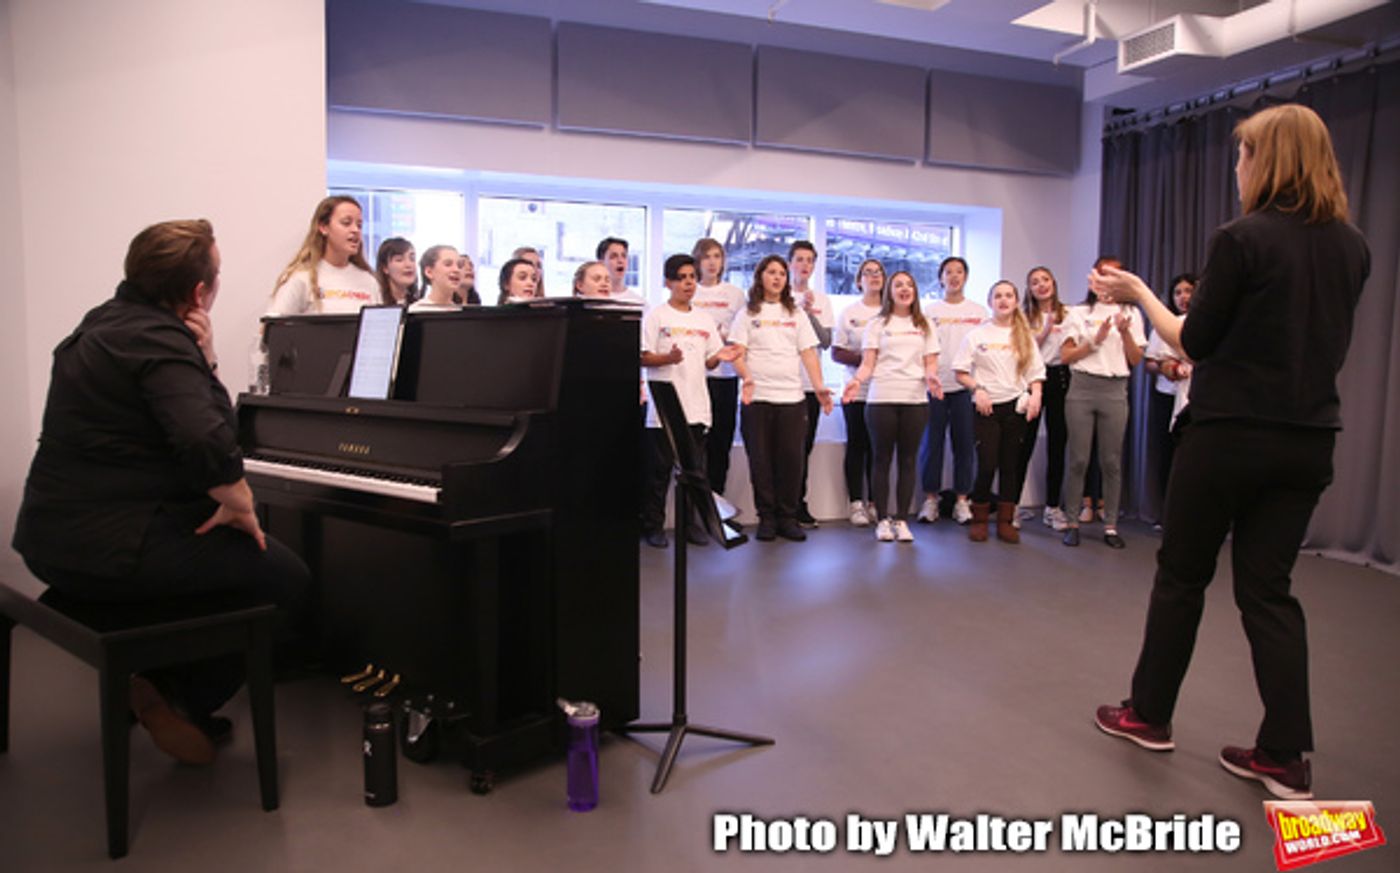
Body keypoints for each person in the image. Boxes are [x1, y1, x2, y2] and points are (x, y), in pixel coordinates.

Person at [1089, 104, 1369, 801]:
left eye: (1241, 157)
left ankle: (1148, 714)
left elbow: (1193, 341)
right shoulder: (1352, 246)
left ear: (1264, 160)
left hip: (1229, 436)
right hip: (1308, 442)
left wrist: (1139, 292)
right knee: (1268, 591)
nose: (1236, 171)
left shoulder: (1241, 238)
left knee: (1182, 576)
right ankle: (1284, 755)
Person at [12, 220, 311, 765]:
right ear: (200, 292)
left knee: (217, 561)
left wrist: (205, 356)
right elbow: (207, 438)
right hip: (113, 545)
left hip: (49, 542)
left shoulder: (98, 325)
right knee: (284, 576)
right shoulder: (159, 338)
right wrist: (240, 500)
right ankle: (180, 696)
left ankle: (144, 679)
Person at [729, 255, 835, 542]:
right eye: (771, 272)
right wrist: (746, 377)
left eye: (781, 274)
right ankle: (767, 518)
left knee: (791, 461)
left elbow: (809, 354)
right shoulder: (747, 314)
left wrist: (820, 387)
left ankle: (788, 517)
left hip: (792, 398)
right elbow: (736, 352)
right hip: (758, 398)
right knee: (760, 462)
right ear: (760, 276)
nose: (777, 278)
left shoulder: (796, 314)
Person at [639, 254, 739, 548]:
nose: (688, 283)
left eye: (692, 277)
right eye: (682, 278)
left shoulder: (703, 319)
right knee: (659, 473)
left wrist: (721, 356)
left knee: (694, 472)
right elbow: (643, 356)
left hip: (697, 408)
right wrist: (668, 358)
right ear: (669, 282)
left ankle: (690, 525)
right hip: (665, 411)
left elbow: (709, 361)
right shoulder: (657, 315)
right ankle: (653, 526)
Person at [842, 270, 940, 543]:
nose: (904, 289)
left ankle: (902, 521)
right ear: (890, 290)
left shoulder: (925, 324)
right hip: (881, 397)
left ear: (915, 291)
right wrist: (856, 381)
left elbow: (930, 362)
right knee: (881, 460)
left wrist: (931, 376)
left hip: (915, 400)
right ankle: (883, 519)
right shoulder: (877, 324)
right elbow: (868, 363)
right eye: (898, 284)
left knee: (908, 461)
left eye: (909, 284)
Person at [1057, 255, 1146, 549]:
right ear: (1093, 278)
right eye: (1102, 275)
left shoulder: (1132, 312)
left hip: (1115, 389)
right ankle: (1071, 522)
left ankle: (1110, 525)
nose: (1107, 282)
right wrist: (1095, 340)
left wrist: (1123, 332)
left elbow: (1135, 359)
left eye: (1114, 276)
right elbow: (1066, 356)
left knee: (1111, 460)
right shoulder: (1078, 312)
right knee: (1079, 458)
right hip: (1082, 387)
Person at [953, 281, 1045, 543]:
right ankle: (980, 517)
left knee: (1010, 465)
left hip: (1015, 407)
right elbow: (960, 372)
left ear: (1016, 301)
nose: (1003, 300)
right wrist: (977, 388)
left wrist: (1036, 394)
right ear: (990, 302)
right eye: (998, 296)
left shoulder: (1024, 336)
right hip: (986, 407)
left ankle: (1005, 520)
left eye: (1009, 296)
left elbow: (1035, 373)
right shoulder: (977, 335)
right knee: (987, 464)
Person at [918, 256, 986, 525]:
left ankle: (961, 500)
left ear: (966, 277)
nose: (954, 276)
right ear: (941, 278)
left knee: (964, 445)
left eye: (959, 272)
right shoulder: (929, 311)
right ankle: (931, 500)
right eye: (949, 272)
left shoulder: (979, 312)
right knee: (931, 445)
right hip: (935, 388)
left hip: (965, 389)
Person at [1016, 266, 1073, 530]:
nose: (1041, 285)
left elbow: (1073, 350)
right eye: (1035, 282)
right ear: (1029, 288)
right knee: (1023, 443)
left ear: (1054, 282)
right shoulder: (1023, 316)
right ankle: (1013, 505)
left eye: (1045, 280)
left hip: (1060, 378)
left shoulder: (1068, 313)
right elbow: (1025, 352)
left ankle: (1052, 507)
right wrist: (1046, 330)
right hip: (1031, 379)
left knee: (1057, 443)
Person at [690, 237, 747, 497]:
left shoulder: (734, 294)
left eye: (717, 256)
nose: (712, 262)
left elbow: (741, 335)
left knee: (721, 444)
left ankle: (718, 506)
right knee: (695, 446)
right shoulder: (691, 291)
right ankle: (694, 511)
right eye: (706, 257)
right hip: (695, 378)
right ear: (697, 261)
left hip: (725, 377)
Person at [831, 258, 885, 526]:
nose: (873, 277)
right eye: (867, 273)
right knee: (857, 445)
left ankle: (876, 502)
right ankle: (856, 504)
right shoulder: (849, 312)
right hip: (856, 390)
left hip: (885, 391)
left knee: (880, 449)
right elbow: (836, 352)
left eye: (878, 273)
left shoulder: (892, 312)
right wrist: (866, 360)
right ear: (858, 280)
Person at [1142, 273, 1197, 521]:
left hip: (1199, 398)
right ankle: (1168, 514)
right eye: (1178, 292)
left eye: (1188, 291)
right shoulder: (1165, 324)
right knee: (1168, 455)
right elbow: (1150, 362)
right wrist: (1170, 368)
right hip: (1168, 395)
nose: (1183, 297)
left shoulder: (1206, 322)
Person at [788, 240, 835, 527]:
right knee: (781, 450)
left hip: (809, 385)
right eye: (800, 260)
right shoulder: (778, 297)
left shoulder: (822, 301)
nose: (805, 265)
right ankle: (779, 507)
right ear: (789, 263)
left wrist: (807, 313)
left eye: (810, 261)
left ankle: (797, 503)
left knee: (803, 448)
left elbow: (826, 342)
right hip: (781, 385)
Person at [268, 195, 379, 315]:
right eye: (346, 223)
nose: (355, 230)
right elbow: (270, 327)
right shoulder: (302, 278)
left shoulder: (369, 281)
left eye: (359, 225)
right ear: (324, 227)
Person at [410, 245, 464, 312]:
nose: (456, 270)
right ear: (429, 272)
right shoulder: (415, 312)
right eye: (448, 264)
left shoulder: (462, 314)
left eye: (459, 266)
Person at [597, 236, 644, 304]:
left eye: (624, 256)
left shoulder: (639, 302)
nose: (620, 261)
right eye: (613, 256)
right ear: (601, 263)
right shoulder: (592, 300)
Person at [374, 237, 418, 305]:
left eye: (412, 259)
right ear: (385, 268)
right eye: (399, 260)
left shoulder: (418, 304)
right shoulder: (375, 301)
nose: (408, 265)